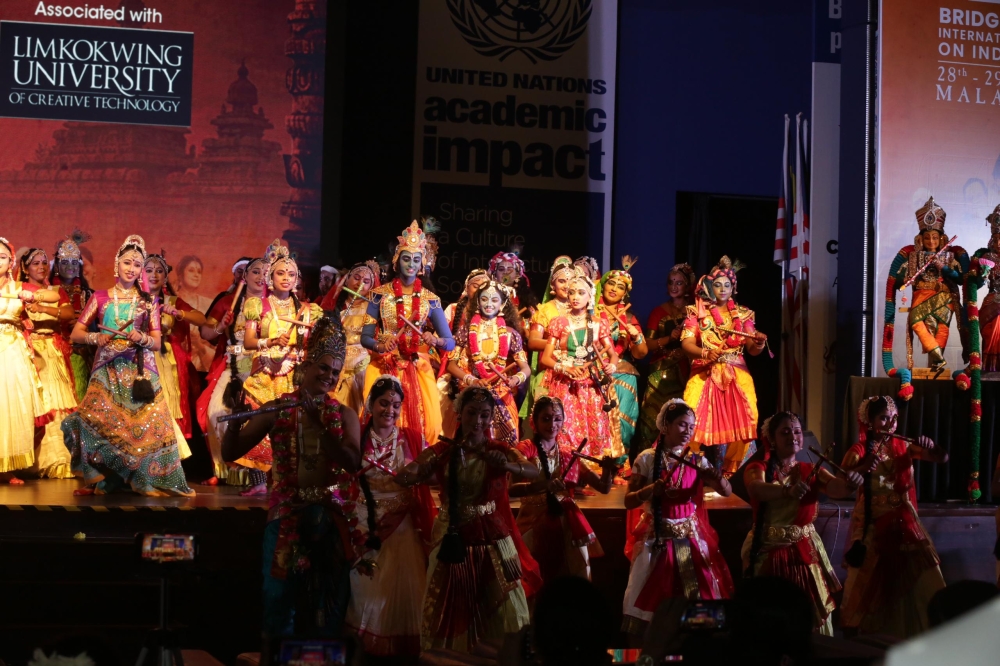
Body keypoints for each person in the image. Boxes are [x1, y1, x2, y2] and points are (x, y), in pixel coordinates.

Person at [222, 317, 365, 644]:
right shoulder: (278, 409)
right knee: (277, 597)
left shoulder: (344, 415)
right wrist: (233, 423)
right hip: (286, 513)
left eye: (335, 372)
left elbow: (352, 462)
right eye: (323, 368)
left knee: (327, 602)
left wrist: (319, 424)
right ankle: (276, 656)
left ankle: (321, 659)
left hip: (330, 516)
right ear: (307, 365)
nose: (329, 376)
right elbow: (231, 452)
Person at [395, 387, 541, 652]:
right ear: (459, 414)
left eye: (484, 415)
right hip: (452, 537)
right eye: (472, 413)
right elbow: (405, 476)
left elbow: (532, 470)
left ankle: (502, 656)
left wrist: (506, 465)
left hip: (491, 535)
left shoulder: (499, 449)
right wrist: (421, 470)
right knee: (449, 602)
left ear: (491, 418)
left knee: (505, 602)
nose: (478, 421)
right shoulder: (443, 449)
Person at [62, 235, 194, 497]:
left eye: (137, 265)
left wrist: (141, 337)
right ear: (117, 264)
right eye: (127, 262)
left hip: (139, 372)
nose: (131, 268)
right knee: (96, 423)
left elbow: (156, 342)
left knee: (147, 427)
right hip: (107, 370)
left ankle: (142, 479)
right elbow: (76, 333)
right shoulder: (100, 297)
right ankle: (106, 480)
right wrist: (96, 337)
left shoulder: (148, 302)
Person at [743, 411, 863, 635]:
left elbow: (836, 488)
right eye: (785, 432)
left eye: (797, 431)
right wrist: (786, 491)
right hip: (767, 550)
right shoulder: (758, 467)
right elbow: (756, 489)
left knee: (809, 611)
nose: (793, 436)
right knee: (770, 613)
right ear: (772, 439)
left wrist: (851, 484)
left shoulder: (811, 469)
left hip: (803, 552)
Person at [621, 400, 734, 638]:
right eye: (682, 425)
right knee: (652, 594)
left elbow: (726, 491)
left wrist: (717, 478)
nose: (687, 431)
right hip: (656, 538)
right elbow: (629, 501)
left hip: (690, 536)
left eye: (691, 427)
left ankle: (695, 644)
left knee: (699, 591)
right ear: (665, 426)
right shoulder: (647, 459)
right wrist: (649, 490)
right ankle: (656, 645)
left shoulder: (697, 460)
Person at [840, 395, 947, 638]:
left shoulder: (905, 446)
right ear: (869, 421)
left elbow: (942, 458)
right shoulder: (858, 451)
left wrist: (931, 445)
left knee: (925, 576)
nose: (890, 424)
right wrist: (862, 467)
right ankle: (866, 636)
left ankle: (932, 629)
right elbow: (840, 482)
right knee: (865, 580)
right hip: (872, 524)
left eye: (894, 419)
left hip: (904, 521)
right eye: (884, 418)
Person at [345, 375, 437, 657]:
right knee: (367, 590)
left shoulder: (411, 437)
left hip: (401, 526)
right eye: (384, 403)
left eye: (396, 405)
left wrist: (414, 475)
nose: (390, 410)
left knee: (401, 589)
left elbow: (426, 474)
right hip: (364, 523)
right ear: (371, 404)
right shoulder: (357, 437)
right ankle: (364, 650)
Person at [241, 240, 324, 495]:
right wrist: (271, 341)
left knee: (291, 430)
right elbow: (248, 342)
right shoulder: (257, 305)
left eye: (291, 274)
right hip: (264, 374)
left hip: (294, 376)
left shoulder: (309, 311)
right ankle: (258, 483)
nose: (286, 278)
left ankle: (287, 482)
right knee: (257, 424)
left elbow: (315, 344)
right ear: (270, 277)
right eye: (280, 273)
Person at [360, 221, 455, 445]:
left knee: (427, 426)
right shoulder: (378, 295)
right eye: (406, 258)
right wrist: (380, 346)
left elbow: (450, 342)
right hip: (385, 365)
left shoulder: (431, 300)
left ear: (422, 263)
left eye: (415, 259)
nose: (411, 264)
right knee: (380, 422)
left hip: (417, 367)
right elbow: (365, 337)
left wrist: (436, 340)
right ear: (396, 261)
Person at [510, 396, 617, 583]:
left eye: (557, 419)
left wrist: (608, 471)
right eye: (546, 419)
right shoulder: (525, 449)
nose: (552, 424)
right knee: (534, 578)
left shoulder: (568, 453)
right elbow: (511, 490)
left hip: (567, 523)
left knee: (573, 578)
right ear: (534, 421)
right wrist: (544, 486)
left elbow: (603, 488)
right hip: (532, 521)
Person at [680, 256, 768, 475]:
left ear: (733, 288)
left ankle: (734, 474)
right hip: (705, 372)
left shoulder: (743, 314)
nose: (722, 289)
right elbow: (687, 343)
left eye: (727, 285)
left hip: (737, 374)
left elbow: (752, 348)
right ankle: (690, 470)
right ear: (710, 287)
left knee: (745, 418)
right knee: (691, 416)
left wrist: (759, 343)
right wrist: (706, 353)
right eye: (717, 285)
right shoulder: (696, 312)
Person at [881, 197, 969, 382]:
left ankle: (936, 363)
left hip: (944, 295)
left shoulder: (950, 255)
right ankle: (938, 358)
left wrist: (943, 268)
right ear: (921, 239)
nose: (931, 241)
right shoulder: (913, 255)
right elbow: (897, 278)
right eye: (927, 237)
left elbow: (962, 279)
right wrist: (905, 278)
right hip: (921, 295)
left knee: (941, 328)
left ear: (941, 238)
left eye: (935, 237)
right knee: (916, 321)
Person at [538, 272, 621, 465]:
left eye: (581, 293)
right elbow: (546, 358)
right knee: (566, 427)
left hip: (591, 385)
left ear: (590, 296)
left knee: (591, 428)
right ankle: (566, 469)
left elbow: (613, 354)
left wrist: (612, 365)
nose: (575, 297)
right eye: (572, 292)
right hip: (565, 384)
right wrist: (564, 368)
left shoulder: (599, 323)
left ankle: (588, 472)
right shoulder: (559, 322)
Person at [198, 257, 266, 485]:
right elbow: (205, 334)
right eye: (255, 272)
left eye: (265, 272)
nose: (261, 277)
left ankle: (254, 472)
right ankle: (224, 469)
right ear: (244, 276)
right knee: (215, 413)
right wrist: (221, 326)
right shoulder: (228, 301)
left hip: (263, 367)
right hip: (233, 366)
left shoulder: (273, 304)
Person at [447, 280, 531, 446]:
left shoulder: (511, 334)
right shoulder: (466, 330)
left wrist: (516, 379)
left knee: (507, 445)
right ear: (478, 302)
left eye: (494, 300)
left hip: (501, 393)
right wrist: (472, 380)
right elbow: (451, 365)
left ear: (503, 304)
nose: (489, 304)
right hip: (474, 393)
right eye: (484, 299)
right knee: (469, 441)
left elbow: (525, 368)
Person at [0, 237, 56, 484]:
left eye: (2, 257)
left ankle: (5, 466)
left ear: (11, 261)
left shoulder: (17, 287)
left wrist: (33, 296)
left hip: (12, 351)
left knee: (10, 405)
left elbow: (53, 297)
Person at [18, 247, 77, 479]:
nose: (41, 267)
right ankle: (28, 461)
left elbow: (68, 314)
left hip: (52, 351)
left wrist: (41, 307)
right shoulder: (17, 290)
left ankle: (58, 460)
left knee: (56, 403)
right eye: (35, 263)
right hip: (28, 351)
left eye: (44, 263)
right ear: (25, 268)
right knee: (33, 404)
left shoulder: (55, 291)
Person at [635, 263, 696, 461]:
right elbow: (648, 344)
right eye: (671, 282)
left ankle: (678, 463)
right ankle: (646, 462)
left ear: (688, 286)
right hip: (660, 372)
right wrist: (670, 338)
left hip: (686, 373)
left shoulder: (696, 312)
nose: (674, 286)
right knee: (652, 419)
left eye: (679, 283)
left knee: (682, 420)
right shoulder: (658, 312)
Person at [144, 252, 208, 440]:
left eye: (159, 271)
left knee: (169, 405)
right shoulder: (131, 301)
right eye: (149, 270)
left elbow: (201, 319)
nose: (154, 275)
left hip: (167, 361)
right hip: (141, 359)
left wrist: (180, 313)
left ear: (165, 278)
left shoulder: (171, 301)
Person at [596, 257, 648, 467]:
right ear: (602, 285)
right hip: (593, 371)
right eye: (611, 283)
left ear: (625, 293)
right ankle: (595, 465)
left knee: (623, 420)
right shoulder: (589, 311)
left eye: (620, 287)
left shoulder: (629, 317)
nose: (614, 289)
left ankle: (619, 464)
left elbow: (641, 353)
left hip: (623, 373)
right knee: (597, 419)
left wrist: (636, 337)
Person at [520, 256, 574, 421]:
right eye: (562, 281)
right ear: (552, 285)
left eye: (571, 281)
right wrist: (562, 343)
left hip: (576, 373)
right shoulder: (545, 310)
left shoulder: (582, 311)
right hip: (550, 372)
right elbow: (533, 341)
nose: (567, 285)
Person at [322, 261, 379, 415]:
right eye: (357, 278)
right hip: (336, 358)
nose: (360, 284)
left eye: (366, 281)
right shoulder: (335, 308)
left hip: (361, 363)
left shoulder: (373, 309)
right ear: (346, 280)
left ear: (371, 287)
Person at [50, 231, 95, 402]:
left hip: (80, 353)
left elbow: (98, 326)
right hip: (54, 351)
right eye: (65, 262)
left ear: (79, 267)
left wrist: (82, 325)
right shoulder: (48, 292)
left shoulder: (89, 294)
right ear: (56, 266)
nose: (70, 266)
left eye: (74, 262)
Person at [173, 255, 215, 372]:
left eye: (199, 272)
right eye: (191, 270)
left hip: (200, 366)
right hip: (173, 362)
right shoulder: (170, 301)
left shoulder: (209, 304)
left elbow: (215, 346)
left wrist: (199, 345)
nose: (196, 275)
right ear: (180, 275)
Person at [488, 249, 537, 313]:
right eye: (501, 269)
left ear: (517, 274)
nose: (505, 272)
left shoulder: (526, 299)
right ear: (495, 275)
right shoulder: (488, 294)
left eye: (509, 270)